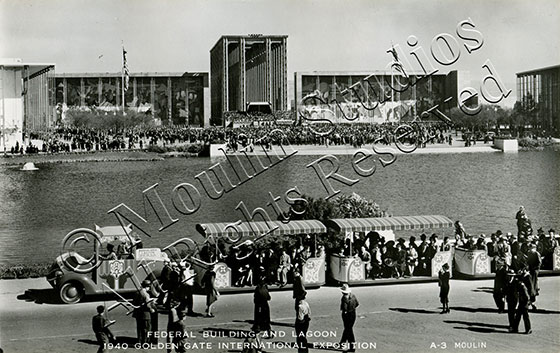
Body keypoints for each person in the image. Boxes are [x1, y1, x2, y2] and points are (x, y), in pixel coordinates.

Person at [133, 280, 154, 344]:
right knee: (146, 329)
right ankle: (145, 343)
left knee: (139, 328)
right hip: (145, 314)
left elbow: (134, 302)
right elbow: (148, 305)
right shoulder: (146, 294)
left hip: (138, 313)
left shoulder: (137, 292)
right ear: (147, 286)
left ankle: (139, 342)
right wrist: (152, 309)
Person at [340, 283, 359, 352]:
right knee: (348, 329)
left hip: (347, 315)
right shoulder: (353, 296)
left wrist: (345, 312)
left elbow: (344, 308)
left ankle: (351, 346)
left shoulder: (344, 298)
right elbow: (357, 304)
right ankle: (342, 342)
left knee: (348, 330)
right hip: (353, 314)